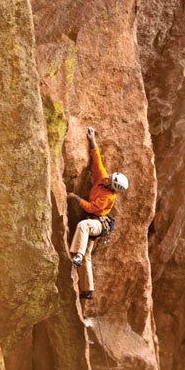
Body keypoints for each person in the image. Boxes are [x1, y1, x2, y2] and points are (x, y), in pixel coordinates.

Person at [67, 127, 128, 300]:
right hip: (95, 221)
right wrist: (92, 140)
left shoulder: (108, 197)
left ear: (112, 187)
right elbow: (97, 160)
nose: (107, 176)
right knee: (87, 256)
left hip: (98, 224)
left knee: (83, 226)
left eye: (110, 179)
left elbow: (92, 208)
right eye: (110, 175)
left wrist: (76, 198)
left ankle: (76, 254)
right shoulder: (102, 180)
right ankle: (88, 290)